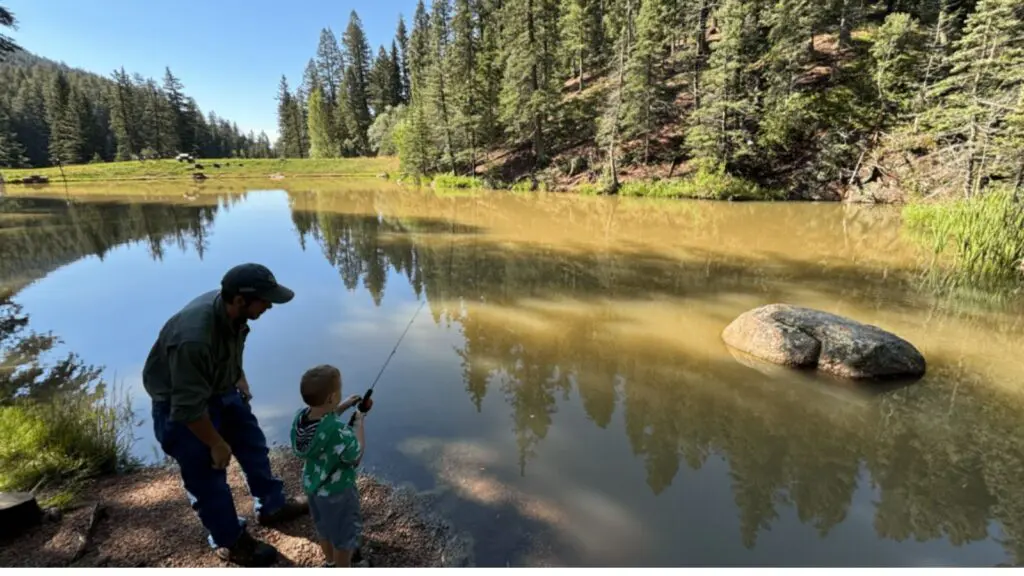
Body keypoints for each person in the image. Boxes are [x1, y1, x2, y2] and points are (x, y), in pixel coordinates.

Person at [142, 263, 309, 567]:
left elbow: (229, 346)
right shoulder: (194, 337)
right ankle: (230, 540)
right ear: (241, 300)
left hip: (220, 387)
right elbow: (187, 408)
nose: (269, 305)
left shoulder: (233, 311)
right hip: (180, 406)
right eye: (264, 299)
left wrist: (237, 376)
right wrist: (217, 443)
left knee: (252, 443)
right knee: (206, 475)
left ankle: (273, 506)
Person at [289, 364, 369, 568]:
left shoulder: (301, 420)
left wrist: (343, 406)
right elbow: (356, 455)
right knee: (344, 539)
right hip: (338, 493)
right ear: (330, 398)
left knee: (324, 531)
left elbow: (324, 418)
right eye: (339, 391)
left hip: (314, 489)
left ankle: (330, 563)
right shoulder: (336, 432)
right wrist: (359, 421)